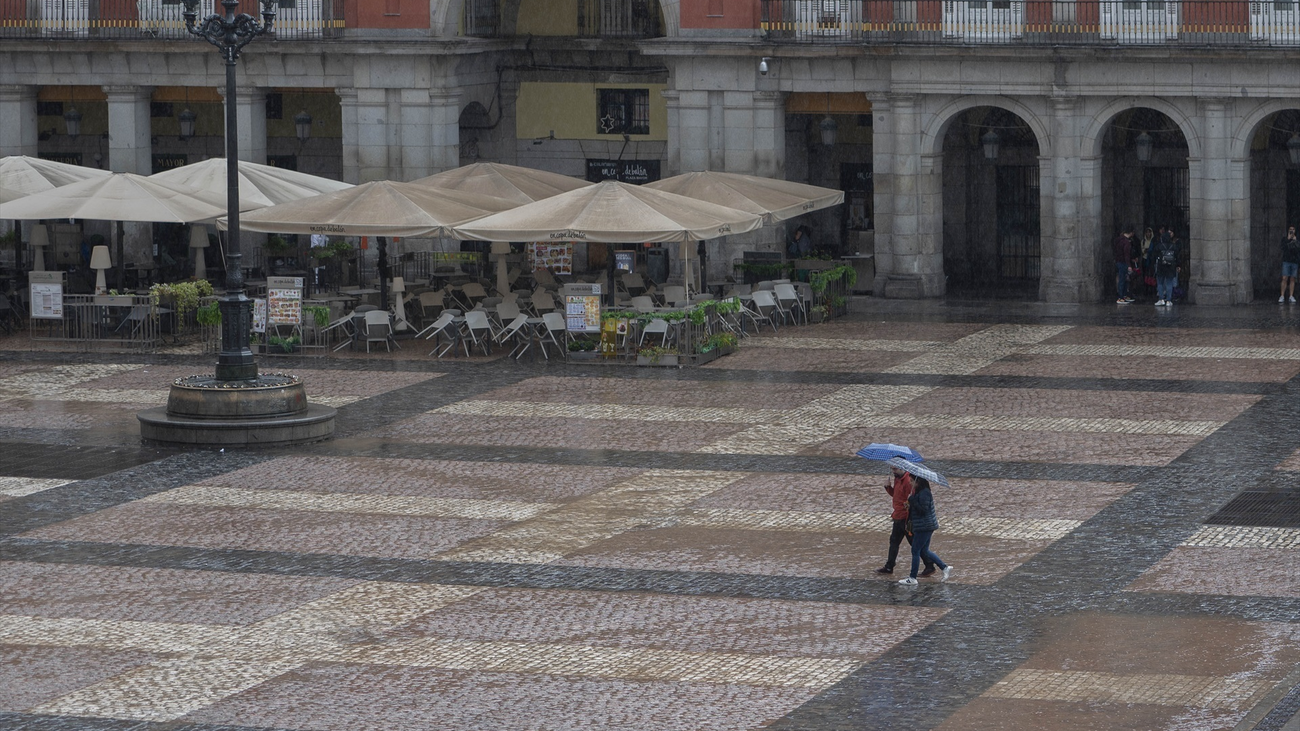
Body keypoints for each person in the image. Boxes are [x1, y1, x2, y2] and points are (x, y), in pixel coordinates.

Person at [875, 466, 936, 577]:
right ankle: (889, 566)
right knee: (894, 541)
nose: (893, 471)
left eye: (895, 469)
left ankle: (929, 565)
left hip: (905, 518)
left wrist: (909, 509)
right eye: (892, 469)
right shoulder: (897, 479)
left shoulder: (909, 481)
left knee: (914, 544)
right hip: (898, 516)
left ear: (902, 468)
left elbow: (914, 498)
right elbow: (896, 495)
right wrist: (888, 487)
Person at [898, 476, 951, 586]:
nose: (910, 483)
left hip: (925, 526)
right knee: (924, 550)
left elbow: (923, 510)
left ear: (918, 481)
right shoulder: (918, 492)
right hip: (923, 526)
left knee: (915, 550)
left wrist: (912, 500)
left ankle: (912, 578)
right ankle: (944, 567)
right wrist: (909, 505)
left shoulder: (925, 493)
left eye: (912, 481)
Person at [1150, 229, 1180, 306]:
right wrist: (1178, 265)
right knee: (1169, 283)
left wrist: (1153, 264)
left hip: (1161, 266)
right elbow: (1177, 257)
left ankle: (1161, 299)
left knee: (1160, 283)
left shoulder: (1159, 246)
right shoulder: (1174, 246)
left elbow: (1153, 256)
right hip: (1171, 267)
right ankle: (1169, 300)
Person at [1113, 225, 1136, 304]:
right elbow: (1126, 255)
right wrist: (1129, 265)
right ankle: (1121, 297)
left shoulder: (1118, 240)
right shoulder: (1126, 242)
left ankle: (1124, 295)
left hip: (1118, 261)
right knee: (1123, 279)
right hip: (1123, 262)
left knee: (1124, 279)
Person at [1281, 226, 1300, 303]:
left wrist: (1295, 241)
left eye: (1293, 230)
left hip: (1294, 261)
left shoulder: (1297, 240)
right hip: (1286, 260)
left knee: (1292, 278)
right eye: (1290, 230)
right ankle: (1282, 295)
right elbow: (1283, 248)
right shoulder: (1284, 239)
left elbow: (1298, 249)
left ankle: (1291, 295)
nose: (1292, 231)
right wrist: (1288, 239)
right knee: (1284, 278)